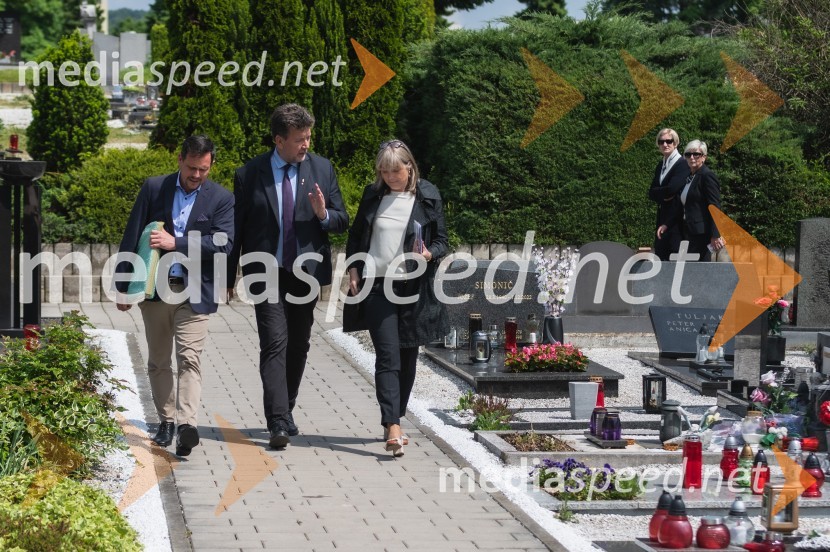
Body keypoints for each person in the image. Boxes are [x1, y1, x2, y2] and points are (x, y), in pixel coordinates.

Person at [227, 104, 348, 449]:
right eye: (299, 139)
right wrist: (227, 276)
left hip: (305, 273)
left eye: (308, 137)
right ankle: (277, 420)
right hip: (265, 272)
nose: (306, 144)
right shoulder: (250, 174)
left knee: (299, 343)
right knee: (274, 342)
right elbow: (237, 230)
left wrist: (324, 215)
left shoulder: (322, 169)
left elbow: (342, 220)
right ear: (279, 140)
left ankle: (287, 408)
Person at [116, 135, 234, 456]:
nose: (197, 175)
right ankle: (166, 421)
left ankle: (186, 426)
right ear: (180, 159)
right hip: (156, 289)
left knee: (189, 359)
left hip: (195, 292)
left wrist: (176, 243)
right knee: (157, 361)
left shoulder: (221, 198)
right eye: (192, 168)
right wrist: (123, 284)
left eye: (204, 169)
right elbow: (132, 234)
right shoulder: (155, 188)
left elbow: (224, 243)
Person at [345, 139, 449, 457]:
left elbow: (443, 241)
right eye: (385, 171)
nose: (391, 177)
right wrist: (353, 270)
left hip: (413, 286)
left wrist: (430, 253)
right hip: (378, 285)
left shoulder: (428, 196)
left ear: (410, 167)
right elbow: (356, 236)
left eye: (396, 170)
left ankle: (397, 417)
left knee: (407, 357)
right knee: (387, 355)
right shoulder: (373, 195)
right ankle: (392, 424)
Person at [661, 139, 725, 262]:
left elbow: (715, 206)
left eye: (696, 154)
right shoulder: (690, 177)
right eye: (688, 154)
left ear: (704, 157)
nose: (692, 157)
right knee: (690, 271)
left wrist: (715, 235)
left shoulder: (707, 176)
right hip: (688, 232)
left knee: (699, 272)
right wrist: (667, 224)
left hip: (702, 234)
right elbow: (682, 206)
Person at [647, 128, 690, 261]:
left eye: (668, 141)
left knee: (675, 258)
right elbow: (651, 192)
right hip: (662, 217)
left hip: (676, 220)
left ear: (675, 143)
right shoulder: (661, 165)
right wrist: (664, 194)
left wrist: (660, 192)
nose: (665, 144)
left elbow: (672, 189)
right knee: (661, 256)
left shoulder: (682, 164)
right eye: (661, 142)